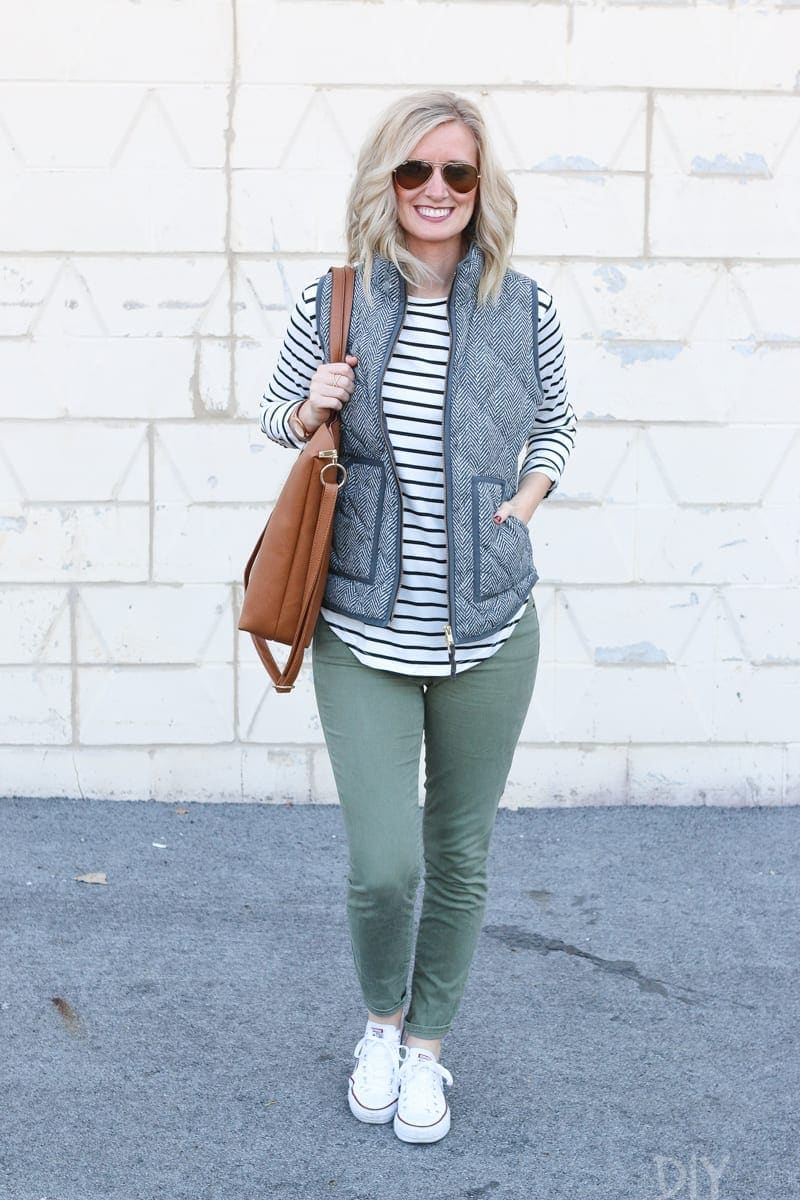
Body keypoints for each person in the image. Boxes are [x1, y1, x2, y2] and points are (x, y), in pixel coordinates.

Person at [259, 90, 577, 1144]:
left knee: (459, 848)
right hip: (364, 626)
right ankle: (380, 1027)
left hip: (490, 628)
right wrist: (314, 403)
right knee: (385, 860)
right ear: (384, 182)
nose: (434, 191)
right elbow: (274, 414)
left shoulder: (522, 306)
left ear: (480, 190)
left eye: (456, 173)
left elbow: (557, 427)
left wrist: (521, 505)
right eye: (414, 172)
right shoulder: (337, 298)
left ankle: (429, 1049)